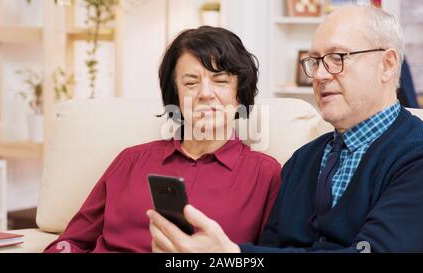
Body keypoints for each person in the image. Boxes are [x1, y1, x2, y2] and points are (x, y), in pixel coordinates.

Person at [147, 6, 423, 253]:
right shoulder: (302, 160)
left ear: (387, 64)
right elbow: (273, 246)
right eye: (315, 61)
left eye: (337, 58)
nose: (321, 75)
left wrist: (234, 255)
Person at [43, 26, 281, 253]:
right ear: (175, 95)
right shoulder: (131, 161)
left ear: (239, 94)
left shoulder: (266, 174)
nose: (205, 94)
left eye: (220, 81)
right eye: (190, 83)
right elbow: (71, 241)